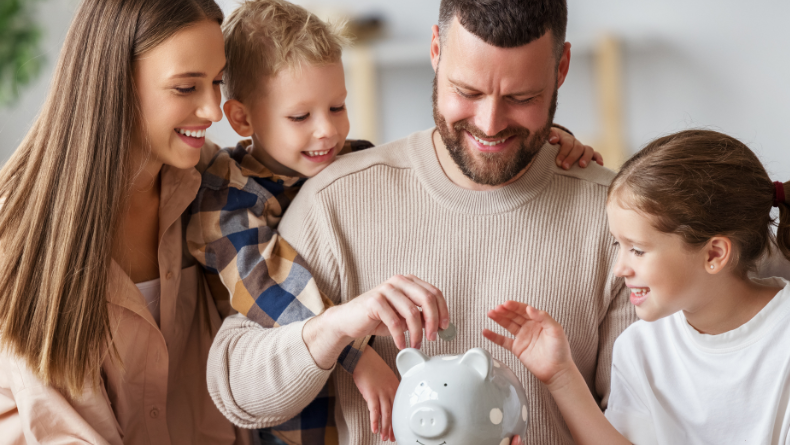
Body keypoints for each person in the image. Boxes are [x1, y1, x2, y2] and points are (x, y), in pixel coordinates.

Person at [205, 0, 636, 443]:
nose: (489, 124)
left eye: (521, 98)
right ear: (435, 50)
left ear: (561, 67)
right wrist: (337, 327)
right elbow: (238, 392)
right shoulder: (336, 195)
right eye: (467, 92)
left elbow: (649, 425)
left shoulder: (617, 219)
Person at [0, 0, 245, 443]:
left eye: (217, 83)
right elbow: (61, 431)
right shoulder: (19, 232)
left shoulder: (211, 182)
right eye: (186, 88)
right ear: (117, 84)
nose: (213, 111)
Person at [485, 129, 790, 444]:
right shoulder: (640, 346)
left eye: (637, 250)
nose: (619, 268)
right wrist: (560, 375)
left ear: (714, 254)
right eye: (617, 246)